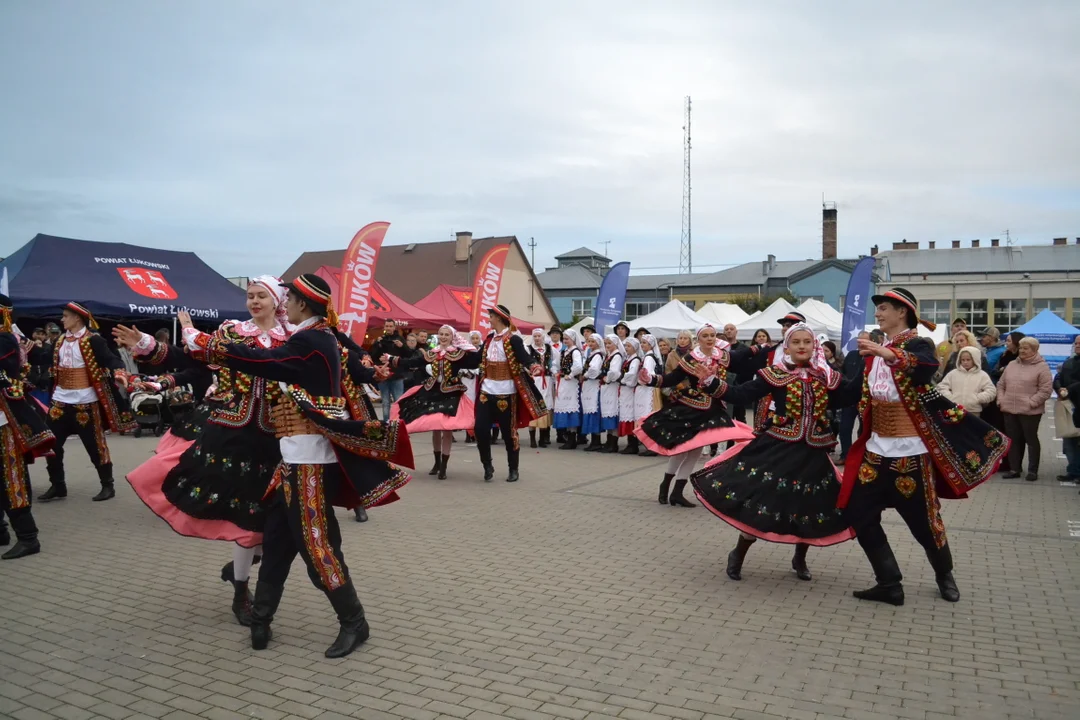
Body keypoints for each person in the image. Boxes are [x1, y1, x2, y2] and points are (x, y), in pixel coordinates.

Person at [183, 273, 412, 658]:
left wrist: (200, 340)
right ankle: (262, 619)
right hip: (292, 458)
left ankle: (355, 622)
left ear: (304, 305)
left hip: (308, 461)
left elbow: (261, 361)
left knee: (318, 547)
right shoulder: (318, 338)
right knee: (275, 543)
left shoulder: (311, 340)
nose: (284, 304)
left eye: (287, 299)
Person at [116, 276, 290, 623]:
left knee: (274, 522)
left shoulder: (293, 338)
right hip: (233, 437)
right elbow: (195, 365)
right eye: (250, 296)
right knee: (246, 520)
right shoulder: (232, 333)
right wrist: (150, 347)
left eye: (261, 296)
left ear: (277, 302)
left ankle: (242, 572)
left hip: (278, 438)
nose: (254, 302)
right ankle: (241, 592)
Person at [836, 288, 1008, 606]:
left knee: (925, 523)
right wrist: (812, 378)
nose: (878, 314)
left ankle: (944, 574)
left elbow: (924, 366)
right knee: (857, 513)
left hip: (910, 454)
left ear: (902, 312)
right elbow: (849, 393)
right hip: (875, 453)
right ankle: (889, 583)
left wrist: (888, 355)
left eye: (884, 308)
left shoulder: (918, 344)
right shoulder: (875, 353)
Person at [691, 324, 857, 582]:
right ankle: (739, 552)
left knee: (809, 506)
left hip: (813, 452)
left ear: (814, 346)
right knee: (762, 501)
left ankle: (799, 558)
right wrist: (712, 382)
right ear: (787, 347)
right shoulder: (775, 374)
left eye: (807, 342)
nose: (802, 346)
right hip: (779, 449)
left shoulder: (827, 375)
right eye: (796, 342)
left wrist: (873, 365)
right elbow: (741, 393)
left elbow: (849, 396)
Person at [636, 324, 755, 507]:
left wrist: (758, 349)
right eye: (705, 336)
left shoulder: (721, 355)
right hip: (691, 408)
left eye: (712, 335)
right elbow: (673, 378)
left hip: (713, 408)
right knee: (682, 449)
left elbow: (740, 360)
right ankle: (665, 484)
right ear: (698, 340)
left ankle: (677, 492)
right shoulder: (691, 358)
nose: (710, 339)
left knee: (695, 451)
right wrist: (652, 379)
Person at [40, 302, 135, 503]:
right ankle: (58, 485)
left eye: (66, 316)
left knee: (95, 446)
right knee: (51, 445)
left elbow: (112, 360)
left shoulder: (94, 341)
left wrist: (119, 373)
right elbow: (42, 358)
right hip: (59, 401)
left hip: (85, 401)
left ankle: (107, 485)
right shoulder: (59, 341)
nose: (62, 319)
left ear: (77, 318)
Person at [0, 295, 56, 560]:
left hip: (5, 423)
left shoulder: (5, 339)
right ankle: (1, 531)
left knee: (13, 479)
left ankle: (28, 537)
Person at [389, 325, 480, 479]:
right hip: (432, 391)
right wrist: (393, 360)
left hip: (451, 392)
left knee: (446, 428)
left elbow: (476, 361)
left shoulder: (458, 354)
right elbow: (414, 362)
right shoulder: (433, 353)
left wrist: (480, 349)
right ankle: (437, 462)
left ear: (452, 337)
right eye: (441, 334)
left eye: (446, 334)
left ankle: (444, 466)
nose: (443, 337)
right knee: (435, 427)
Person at [474, 305, 545, 482]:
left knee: (508, 432)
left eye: (490, 317)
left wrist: (533, 366)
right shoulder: (489, 338)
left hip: (506, 391)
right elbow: (477, 358)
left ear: (498, 318)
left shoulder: (513, 339)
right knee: (480, 429)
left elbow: (524, 357)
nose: (488, 320)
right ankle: (487, 465)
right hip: (486, 390)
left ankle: (513, 468)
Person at [998, 336, 1053, 482]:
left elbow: (1045, 390)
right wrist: (1001, 400)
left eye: (1026, 348)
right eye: (1021, 347)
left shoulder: (1042, 367)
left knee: (1031, 439)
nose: (1022, 350)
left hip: (1030, 412)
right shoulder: (1011, 365)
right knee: (1013, 440)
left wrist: (1031, 402)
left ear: (1035, 350)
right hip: (1009, 409)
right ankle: (1015, 469)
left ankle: (1032, 471)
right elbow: (1001, 384)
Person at [837, 331, 870, 464]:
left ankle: (862, 456)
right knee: (844, 428)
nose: (860, 344)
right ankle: (846, 455)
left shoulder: (874, 357)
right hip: (849, 399)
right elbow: (842, 372)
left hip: (865, 399)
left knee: (863, 430)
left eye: (864, 341)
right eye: (858, 341)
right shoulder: (851, 355)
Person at [937, 346, 996, 417]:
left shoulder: (982, 375)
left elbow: (991, 391)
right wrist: (950, 398)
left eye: (968, 360)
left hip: (973, 411)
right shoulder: (953, 373)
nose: (965, 362)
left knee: (973, 428)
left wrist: (978, 398)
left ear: (975, 359)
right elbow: (941, 387)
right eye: (963, 360)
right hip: (954, 410)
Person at [1054, 336, 1080, 483]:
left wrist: (1068, 389)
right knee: (1069, 440)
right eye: (1076, 343)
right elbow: (1058, 377)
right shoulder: (1069, 362)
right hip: (1068, 405)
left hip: (1077, 402)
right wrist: (1059, 388)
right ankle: (1073, 471)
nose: (1077, 345)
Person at [526, 328, 557, 449]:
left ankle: (543, 438)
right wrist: (530, 372)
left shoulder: (550, 349)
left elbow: (555, 362)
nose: (537, 338)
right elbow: (524, 364)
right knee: (534, 405)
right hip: (535, 380)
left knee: (545, 406)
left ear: (543, 337)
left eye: (539, 336)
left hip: (547, 381)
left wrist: (553, 371)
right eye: (535, 336)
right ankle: (533, 439)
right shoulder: (528, 349)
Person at [370, 319, 407, 419]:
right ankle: (386, 425)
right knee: (385, 402)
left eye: (391, 326)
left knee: (398, 401)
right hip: (384, 375)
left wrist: (402, 346)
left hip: (397, 375)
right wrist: (377, 345)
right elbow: (373, 356)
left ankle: (399, 424)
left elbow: (408, 355)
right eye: (387, 326)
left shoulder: (400, 339)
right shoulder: (380, 340)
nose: (389, 328)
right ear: (384, 327)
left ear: (394, 327)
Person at [635, 335, 662, 456]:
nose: (642, 345)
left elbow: (648, 374)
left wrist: (641, 380)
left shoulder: (649, 358)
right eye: (642, 343)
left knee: (647, 416)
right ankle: (650, 445)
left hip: (648, 390)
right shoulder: (649, 356)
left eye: (645, 343)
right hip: (648, 389)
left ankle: (650, 446)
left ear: (651, 345)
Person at [599, 334, 624, 453]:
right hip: (607, 388)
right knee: (607, 412)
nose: (607, 345)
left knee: (612, 412)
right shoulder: (610, 355)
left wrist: (607, 379)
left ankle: (613, 443)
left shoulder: (617, 356)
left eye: (610, 343)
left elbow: (614, 371)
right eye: (606, 343)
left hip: (612, 387)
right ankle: (609, 441)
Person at [580, 334, 605, 452]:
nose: (590, 344)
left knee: (593, 410)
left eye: (593, 342)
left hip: (593, 385)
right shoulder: (592, 354)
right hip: (589, 386)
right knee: (590, 410)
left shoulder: (598, 355)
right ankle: (594, 440)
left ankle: (596, 441)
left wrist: (584, 375)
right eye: (589, 341)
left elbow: (594, 369)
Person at [618, 338, 642, 455]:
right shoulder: (629, 359)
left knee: (630, 415)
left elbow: (632, 374)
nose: (626, 348)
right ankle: (630, 442)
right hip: (625, 390)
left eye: (628, 346)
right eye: (625, 346)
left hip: (629, 389)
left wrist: (622, 379)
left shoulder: (635, 360)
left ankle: (633, 444)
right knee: (626, 414)